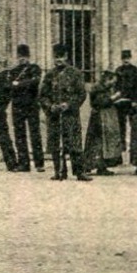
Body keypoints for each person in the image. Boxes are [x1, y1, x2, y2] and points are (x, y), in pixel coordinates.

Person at [38, 45, 90, 181]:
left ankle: (80, 172)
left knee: (75, 143)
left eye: (61, 57)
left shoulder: (75, 73)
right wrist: (50, 106)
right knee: (56, 144)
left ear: (66, 57)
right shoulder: (49, 75)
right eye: (56, 57)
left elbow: (81, 94)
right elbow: (42, 95)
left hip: (70, 115)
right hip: (55, 115)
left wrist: (69, 104)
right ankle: (59, 172)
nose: (58, 60)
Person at [7, 43, 44, 172]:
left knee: (35, 134)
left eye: (25, 56)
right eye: (20, 56)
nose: (22, 58)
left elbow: (35, 82)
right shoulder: (13, 71)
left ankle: (39, 164)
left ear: (29, 57)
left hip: (32, 105)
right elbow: (8, 86)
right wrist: (20, 84)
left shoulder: (35, 68)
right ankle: (24, 163)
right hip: (17, 106)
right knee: (19, 135)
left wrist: (18, 84)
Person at [82, 69, 123, 176]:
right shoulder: (99, 89)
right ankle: (98, 166)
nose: (113, 83)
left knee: (100, 142)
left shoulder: (102, 88)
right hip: (100, 118)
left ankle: (98, 166)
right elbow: (101, 102)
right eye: (112, 81)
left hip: (104, 117)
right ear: (107, 80)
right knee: (100, 142)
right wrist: (114, 97)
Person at [113, 49, 137, 160]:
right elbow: (115, 86)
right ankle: (121, 149)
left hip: (131, 101)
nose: (126, 60)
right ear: (122, 59)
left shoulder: (135, 70)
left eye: (127, 58)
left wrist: (135, 100)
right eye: (124, 58)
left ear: (130, 58)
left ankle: (134, 150)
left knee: (134, 124)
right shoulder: (118, 70)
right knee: (120, 126)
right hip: (121, 102)